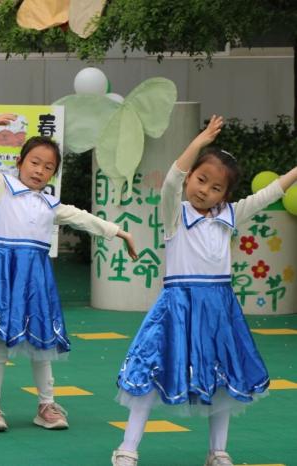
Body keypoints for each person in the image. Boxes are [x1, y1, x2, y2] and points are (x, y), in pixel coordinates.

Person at [110, 115, 297, 466]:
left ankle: (218, 451)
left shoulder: (230, 216)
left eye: (215, 188)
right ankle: (127, 448)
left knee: (222, 377)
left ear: (225, 195)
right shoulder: (174, 214)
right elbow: (171, 181)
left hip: (218, 310)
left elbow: (269, 194)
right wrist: (200, 141)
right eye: (200, 179)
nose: (204, 190)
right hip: (177, 308)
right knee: (151, 373)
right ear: (190, 176)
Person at [0, 113, 137, 433]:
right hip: (3, 277)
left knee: (42, 343)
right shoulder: (1, 188)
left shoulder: (50, 204)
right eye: (35, 162)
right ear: (20, 162)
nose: (40, 170)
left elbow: (83, 218)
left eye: (48, 167)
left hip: (35, 280)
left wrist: (119, 232)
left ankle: (46, 405)